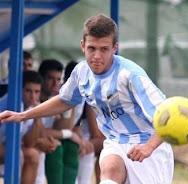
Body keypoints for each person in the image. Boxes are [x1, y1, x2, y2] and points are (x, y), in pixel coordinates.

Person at [0, 14, 174, 184]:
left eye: (104, 49)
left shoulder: (130, 76)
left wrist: (149, 147)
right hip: (115, 141)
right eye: (92, 48)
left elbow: (167, 117)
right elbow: (64, 100)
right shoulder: (81, 72)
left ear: (115, 48)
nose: (97, 56)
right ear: (83, 46)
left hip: (147, 145)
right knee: (110, 171)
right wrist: (24, 115)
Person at [38, 59, 83, 184]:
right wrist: (70, 134)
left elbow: (62, 127)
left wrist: (71, 101)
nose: (55, 84)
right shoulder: (34, 97)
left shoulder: (55, 98)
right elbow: (43, 132)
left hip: (47, 139)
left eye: (58, 79)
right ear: (41, 78)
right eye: (50, 78)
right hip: (28, 143)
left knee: (71, 146)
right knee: (55, 147)